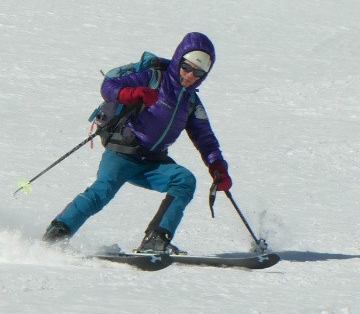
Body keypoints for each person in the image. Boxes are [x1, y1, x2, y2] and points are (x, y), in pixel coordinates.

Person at [43, 31, 232, 254]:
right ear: (178, 59)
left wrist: (217, 166)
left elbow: (205, 138)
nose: (190, 75)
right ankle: (57, 234)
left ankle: (156, 239)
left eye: (199, 72)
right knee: (102, 193)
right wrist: (130, 94)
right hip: (122, 152)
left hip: (152, 163)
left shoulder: (191, 102)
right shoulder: (153, 78)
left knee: (184, 181)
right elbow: (109, 87)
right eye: (187, 67)